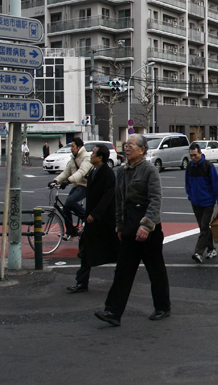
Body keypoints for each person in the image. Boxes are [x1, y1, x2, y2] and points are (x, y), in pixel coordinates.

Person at [94, 134, 170, 326]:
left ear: (142, 149)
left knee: (155, 270)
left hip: (149, 229)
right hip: (129, 227)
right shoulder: (121, 171)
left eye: (131, 145)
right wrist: (119, 225)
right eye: (125, 145)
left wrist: (146, 225)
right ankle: (112, 311)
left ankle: (162, 307)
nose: (127, 148)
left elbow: (155, 200)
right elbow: (119, 201)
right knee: (123, 271)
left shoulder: (149, 170)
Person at [67, 145, 118, 293]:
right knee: (87, 249)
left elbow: (108, 197)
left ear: (100, 157)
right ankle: (82, 281)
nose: (91, 155)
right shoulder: (93, 170)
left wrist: (95, 214)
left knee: (114, 249)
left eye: (93, 153)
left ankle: (123, 275)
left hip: (104, 219)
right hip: (92, 219)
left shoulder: (108, 174)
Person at [185, 142, 218, 262]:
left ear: (200, 153)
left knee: (203, 227)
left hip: (208, 202)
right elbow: (187, 183)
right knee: (204, 228)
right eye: (191, 155)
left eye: (195, 155)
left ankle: (198, 252)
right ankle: (211, 248)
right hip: (195, 202)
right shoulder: (189, 167)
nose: (193, 158)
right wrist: (190, 195)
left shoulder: (208, 166)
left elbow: (216, 184)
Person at [51, 137, 92, 237]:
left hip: (85, 186)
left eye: (73, 146)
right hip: (77, 185)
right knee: (66, 207)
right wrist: (56, 180)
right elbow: (66, 172)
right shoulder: (73, 158)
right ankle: (70, 231)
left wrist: (68, 181)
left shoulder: (86, 157)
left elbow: (81, 172)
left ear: (79, 147)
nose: (71, 148)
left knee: (70, 201)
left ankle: (86, 217)